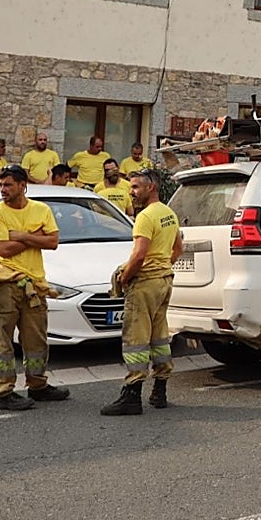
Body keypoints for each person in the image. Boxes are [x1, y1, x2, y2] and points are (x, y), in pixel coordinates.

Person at [0, 165, 70, 410]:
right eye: (1, 185)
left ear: (22, 186)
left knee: (36, 340)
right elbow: (4, 250)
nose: (3, 190)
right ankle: (3, 393)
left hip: (34, 285)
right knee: (1, 342)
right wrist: (34, 236)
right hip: (4, 284)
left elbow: (52, 242)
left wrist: (20, 235)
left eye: (8, 185)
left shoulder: (41, 209)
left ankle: (37, 386)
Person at [101, 168, 183, 416]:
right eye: (131, 187)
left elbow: (138, 255)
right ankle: (160, 391)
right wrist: (163, 267)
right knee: (159, 337)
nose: (132, 192)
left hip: (145, 283)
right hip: (163, 281)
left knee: (135, 339)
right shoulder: (169, 213)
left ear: (152, 187)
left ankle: (132, 395)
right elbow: (178, 248)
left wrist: (125, 278)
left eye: (136, 187)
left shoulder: (145, 217)